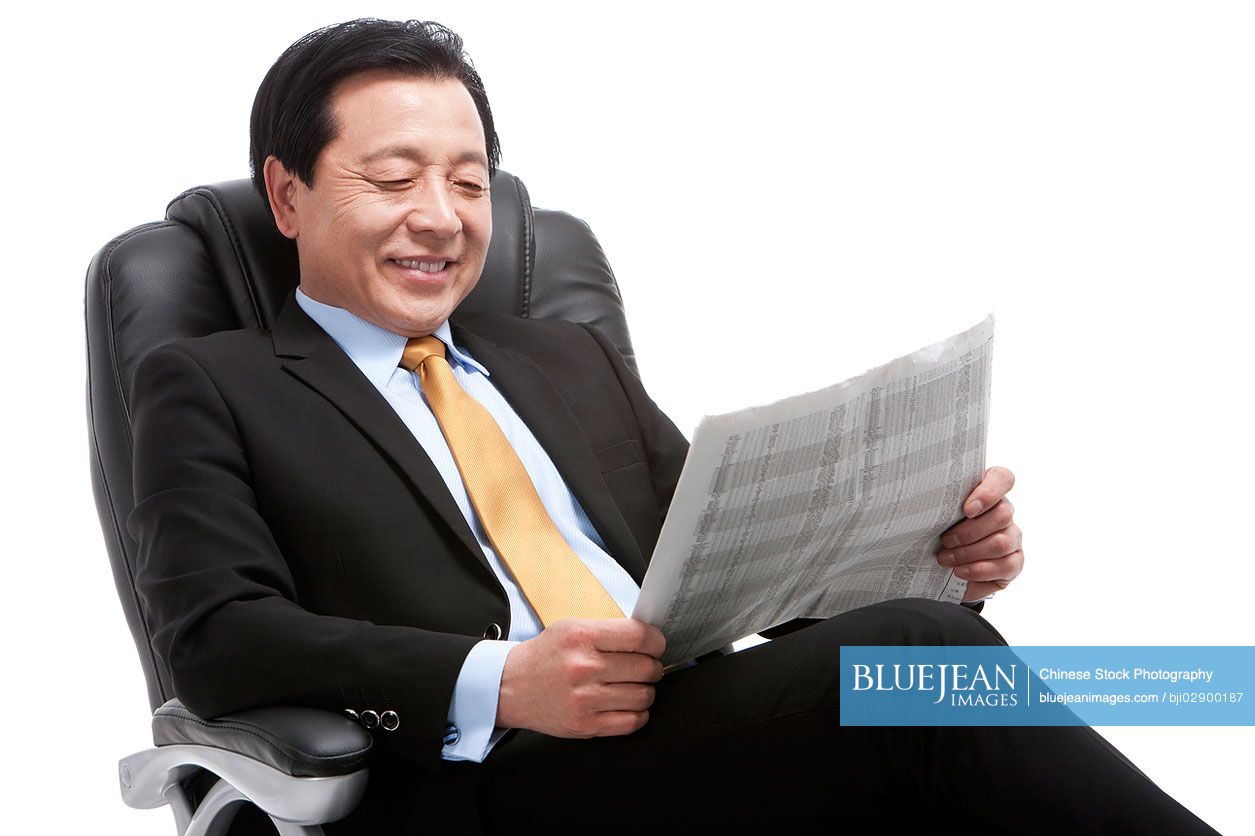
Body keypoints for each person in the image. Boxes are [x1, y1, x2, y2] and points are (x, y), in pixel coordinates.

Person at [127, 18, 1217, 835]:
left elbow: (750, 564)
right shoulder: (212, 382)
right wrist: (497, 678)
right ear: (286, 195)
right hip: (488, 779)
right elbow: (216, 638)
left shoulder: (563, 358)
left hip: (686, 734)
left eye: (468, 180)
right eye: (394, 176)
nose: (441, 216)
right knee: (916, 667)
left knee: (933, 652)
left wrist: (939, 562)